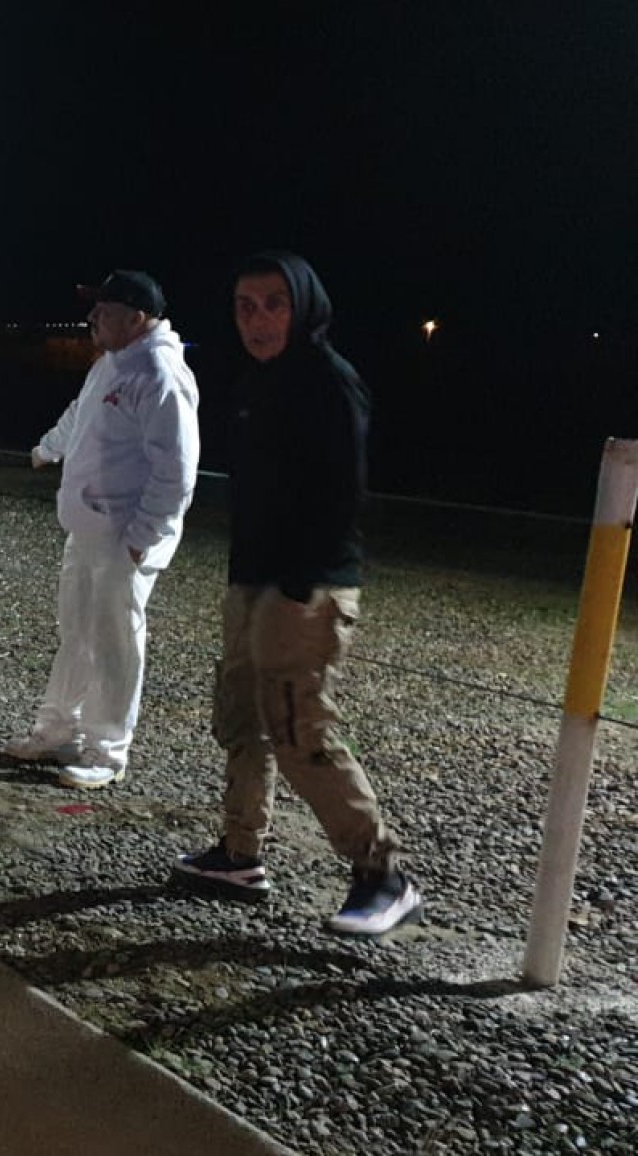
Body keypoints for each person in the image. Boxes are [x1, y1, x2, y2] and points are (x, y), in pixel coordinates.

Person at [171, 251, 423, 939]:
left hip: (305, 589)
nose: (258, 320)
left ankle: (383, 873)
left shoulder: (329, 383)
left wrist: (294, 585)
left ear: (304, 306)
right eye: (245, 306)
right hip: (251, 582)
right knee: (240, 719)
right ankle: (239, 854)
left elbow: (344, 497)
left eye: (273, 304)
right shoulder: (257, 383)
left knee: (299, 731)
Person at [6, 270, 199, 788]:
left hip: (123, 536)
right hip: (87, 531)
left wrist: (143, 538)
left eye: (104, 310)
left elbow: (176, 470)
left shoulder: (159, 373)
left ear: (137, 318)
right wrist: (48, 448)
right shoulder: (111, 365)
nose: (92, 317)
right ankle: (57, 729)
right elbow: (81, 415)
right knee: (76, 633)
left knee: (115, 641)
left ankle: (106, 751)